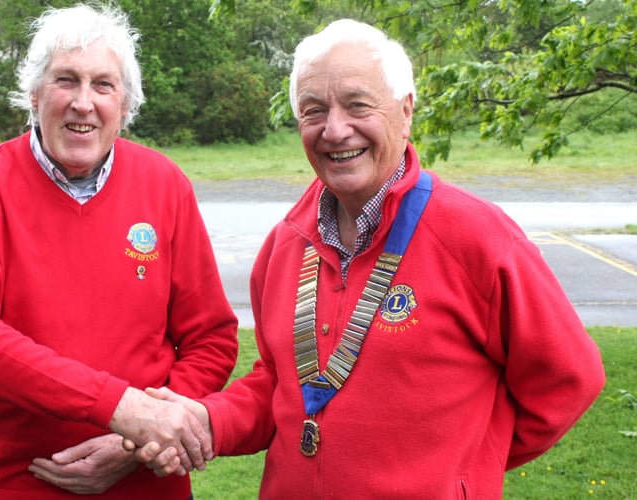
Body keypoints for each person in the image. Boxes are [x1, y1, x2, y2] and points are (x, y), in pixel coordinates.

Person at [142, 18, 606, 498]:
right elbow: (283, 384)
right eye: (313, 110)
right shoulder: (285, 244)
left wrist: (461, 469)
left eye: (357, 105)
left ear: (405, 112)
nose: (335, 129)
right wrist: (208, 418)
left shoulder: (476, 238)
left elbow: (570, 379)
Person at [0, 3, 237, 498]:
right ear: (33, 93)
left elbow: (212, 340)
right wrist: (119, 406)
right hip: (17, 481)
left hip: (147, 481)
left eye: (103, 85)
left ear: (125, 102)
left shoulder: (164, 184)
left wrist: (133, 441)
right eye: (65, 80)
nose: (83, 102)